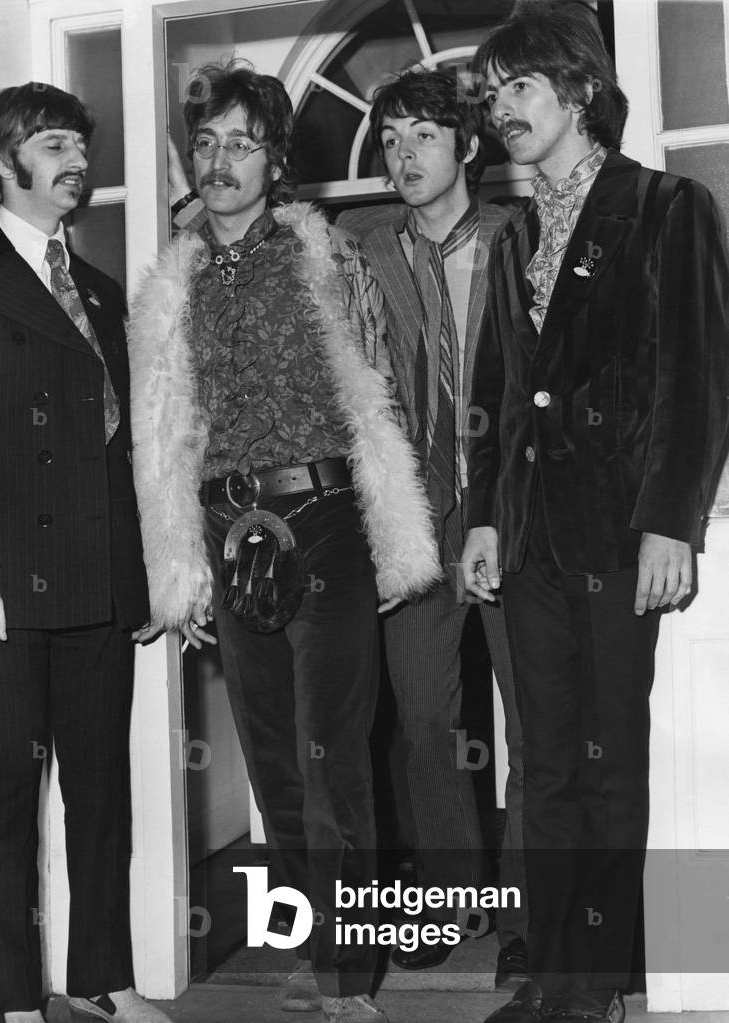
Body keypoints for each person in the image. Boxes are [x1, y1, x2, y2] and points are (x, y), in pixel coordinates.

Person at [129, 60, 440, 1023]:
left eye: (244, 143)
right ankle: (314, 952)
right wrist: (179, 566)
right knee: (269, 758)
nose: (222, 160)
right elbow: (158, 432)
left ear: (275, 162)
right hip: (228, 532)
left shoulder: (324, 255)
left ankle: (352, 985)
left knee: (330, 754)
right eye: (209, 142)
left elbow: (386, 392)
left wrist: (400, 528)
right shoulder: (168, 283)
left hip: (326, 523)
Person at [461, 4, 729, 1021]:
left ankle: (601, 987)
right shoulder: (510, 234)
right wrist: (483, 516)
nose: (501, 113)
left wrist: (670, 518)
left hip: (618, 531)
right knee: (543, 764)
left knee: (607, 762)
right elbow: (493, 387)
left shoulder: (665, 207)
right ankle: (556, 984)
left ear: (577, 90)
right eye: (490, 97)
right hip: (527, 533)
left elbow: (697, 377)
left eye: (518, 88)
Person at [0, 83, 167, 1023]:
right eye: (53, 144)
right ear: (3, 161)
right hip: (1, 587)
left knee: (104, 797)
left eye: (78, 144)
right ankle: (10, 1001)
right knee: (5, 803)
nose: (74, 160)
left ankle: (102, 977)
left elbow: (123, 448)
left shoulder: (96, 287)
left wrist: (146, 578)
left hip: (97, 582)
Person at [337, 67, 527, 989]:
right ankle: (452, 899)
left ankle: (529, 920)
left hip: (508, 503)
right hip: (413, 511)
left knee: (532, 721)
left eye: (421, 135)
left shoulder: (519, 239)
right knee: (424, 721)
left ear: (469, 147)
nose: (402, 155)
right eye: (390, 139)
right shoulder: (361, 245)